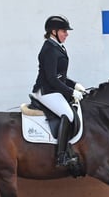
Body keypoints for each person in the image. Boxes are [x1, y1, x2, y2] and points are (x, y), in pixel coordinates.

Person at [31, 15, 86, 167]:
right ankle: (61, 157)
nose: (67, 34)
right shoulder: (49, 49)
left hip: (53, 88)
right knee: (67, 115)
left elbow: (60, 76)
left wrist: (75, 85)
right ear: (53, 31)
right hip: (46, 91)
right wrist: (70, 92)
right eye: (64, 31)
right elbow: (51, 78)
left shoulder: (57, 46)